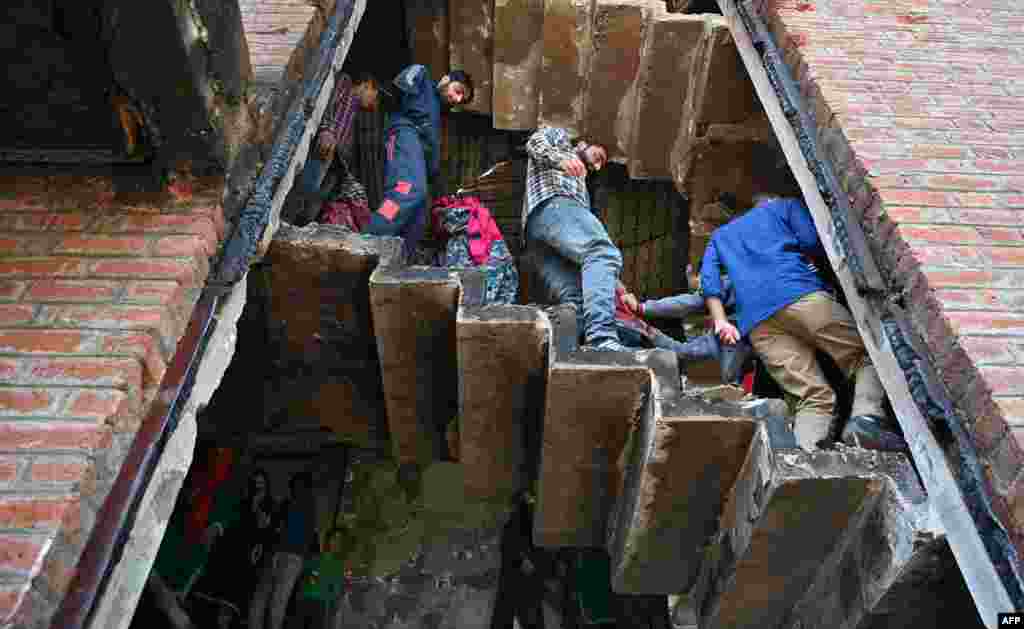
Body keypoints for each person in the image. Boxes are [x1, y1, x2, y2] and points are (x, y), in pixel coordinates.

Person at [700, 193, 906, 451]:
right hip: (800, 296)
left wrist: (721, 321)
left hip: (758, 325)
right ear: (770, 199)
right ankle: (866, 418)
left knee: (812, 395)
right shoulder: (785, 206)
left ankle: (804, 460)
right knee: (867, 355)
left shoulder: (720, 237)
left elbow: (709, 280)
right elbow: (811, 240)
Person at [523, 126, 625, 351]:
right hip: (555, 205)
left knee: (576, 300)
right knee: (602, 252)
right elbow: (535, 143)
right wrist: (561, 158)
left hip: (538, 235)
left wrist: (615, 285)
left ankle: (539, 344)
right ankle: (602, 338)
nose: (598, 163)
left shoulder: (580, 174)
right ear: (584, 142)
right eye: (599, 154)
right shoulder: (560, 136)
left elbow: (585, 255)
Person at [362, 64, 474, 256]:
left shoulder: (436, 117)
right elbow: (402, 83)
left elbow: (432, 162)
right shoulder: (422, 78)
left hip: (417, 153)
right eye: (458, 91)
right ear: (446, 79)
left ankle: (398, 264)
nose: (456, 98)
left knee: (419, 216)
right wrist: (408, 81)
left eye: (460, 99)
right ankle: (370, 238)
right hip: (404, 133)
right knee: (405, 190)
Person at [293, 72, 380, 227]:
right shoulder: (345, 83)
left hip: (335, 161)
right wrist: (327, 130)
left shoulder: (357, 111)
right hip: (325, 148)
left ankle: (300, 227)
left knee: (317, 201)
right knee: (306, 190)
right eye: (374, 95)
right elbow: (327, 106)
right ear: (366, 85)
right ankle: (289, 220)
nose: (374, 102)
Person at [249, 472, 319, 629]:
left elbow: (270, 526)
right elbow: (272, 526)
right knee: (276, 603)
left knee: (264, 601)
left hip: (282, 554)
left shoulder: (292, 505)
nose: (297, 489)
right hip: (288, 556)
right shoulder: (306, 507)